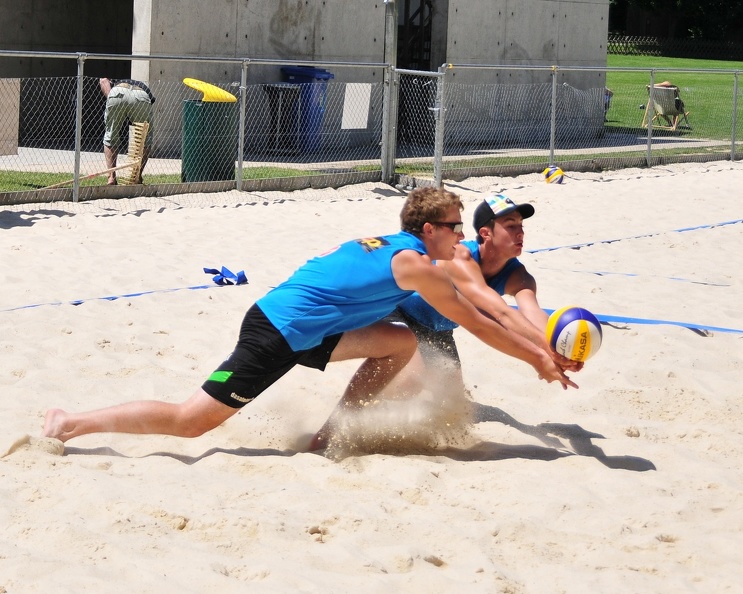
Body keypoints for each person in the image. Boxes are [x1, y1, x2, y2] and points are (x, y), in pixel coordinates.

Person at [42, 188, 576, 452]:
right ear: (431, 228)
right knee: (192, 422)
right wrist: (538, 357)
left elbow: (491, 312)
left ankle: (329, 435)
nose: (460, 236)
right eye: (455, 227)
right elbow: (483, 321)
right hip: (275, 331)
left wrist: (539, 352)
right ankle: (71, 423)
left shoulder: (403, 248)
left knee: (398, 343)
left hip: (312, 328)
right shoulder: (415, 265)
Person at [389, 193, 581, 395]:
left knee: (452, 400)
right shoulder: (459, 255)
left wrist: (558, 349)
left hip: (439, 329)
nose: (520, 233)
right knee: (410, 380)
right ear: (486, 233)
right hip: (401, 313)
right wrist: (545, 352)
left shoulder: (519, 276)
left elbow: (532, 312)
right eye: (510, 226)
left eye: (521, 225)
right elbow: (501, 313)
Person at [99, 77, 156, 185]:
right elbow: (149, 103)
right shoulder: (144, 88)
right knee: (145, 138)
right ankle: (137, 177)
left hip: (117, 92)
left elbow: (103, 80)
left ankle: (111, 177)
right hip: (141, 95)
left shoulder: (116, 82)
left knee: (111, 135)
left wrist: (110, 97)